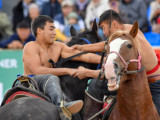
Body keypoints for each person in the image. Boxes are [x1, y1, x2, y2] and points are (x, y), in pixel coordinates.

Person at [72, 9, 160, 117]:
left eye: (103, 27)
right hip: (136, 79)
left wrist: (87, 71)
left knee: (95, 85)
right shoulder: (128, 29)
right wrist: (83, 48)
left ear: (113, 24)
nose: (104, 33)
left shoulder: (127, 37)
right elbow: (108, 45)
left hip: (153, 85)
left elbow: (108, 45)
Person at [23, 15, 101, 119]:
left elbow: (84, 56)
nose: (54, 33)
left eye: (54, 29)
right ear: (39, 30)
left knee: (53, 78)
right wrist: (68, 70)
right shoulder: (30, 46)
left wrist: (104, 60)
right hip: (31, 82)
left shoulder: (58, 46)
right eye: (51, 29)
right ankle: (61, 107)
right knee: (51, 77)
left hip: (51, 85)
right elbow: (38, 71)